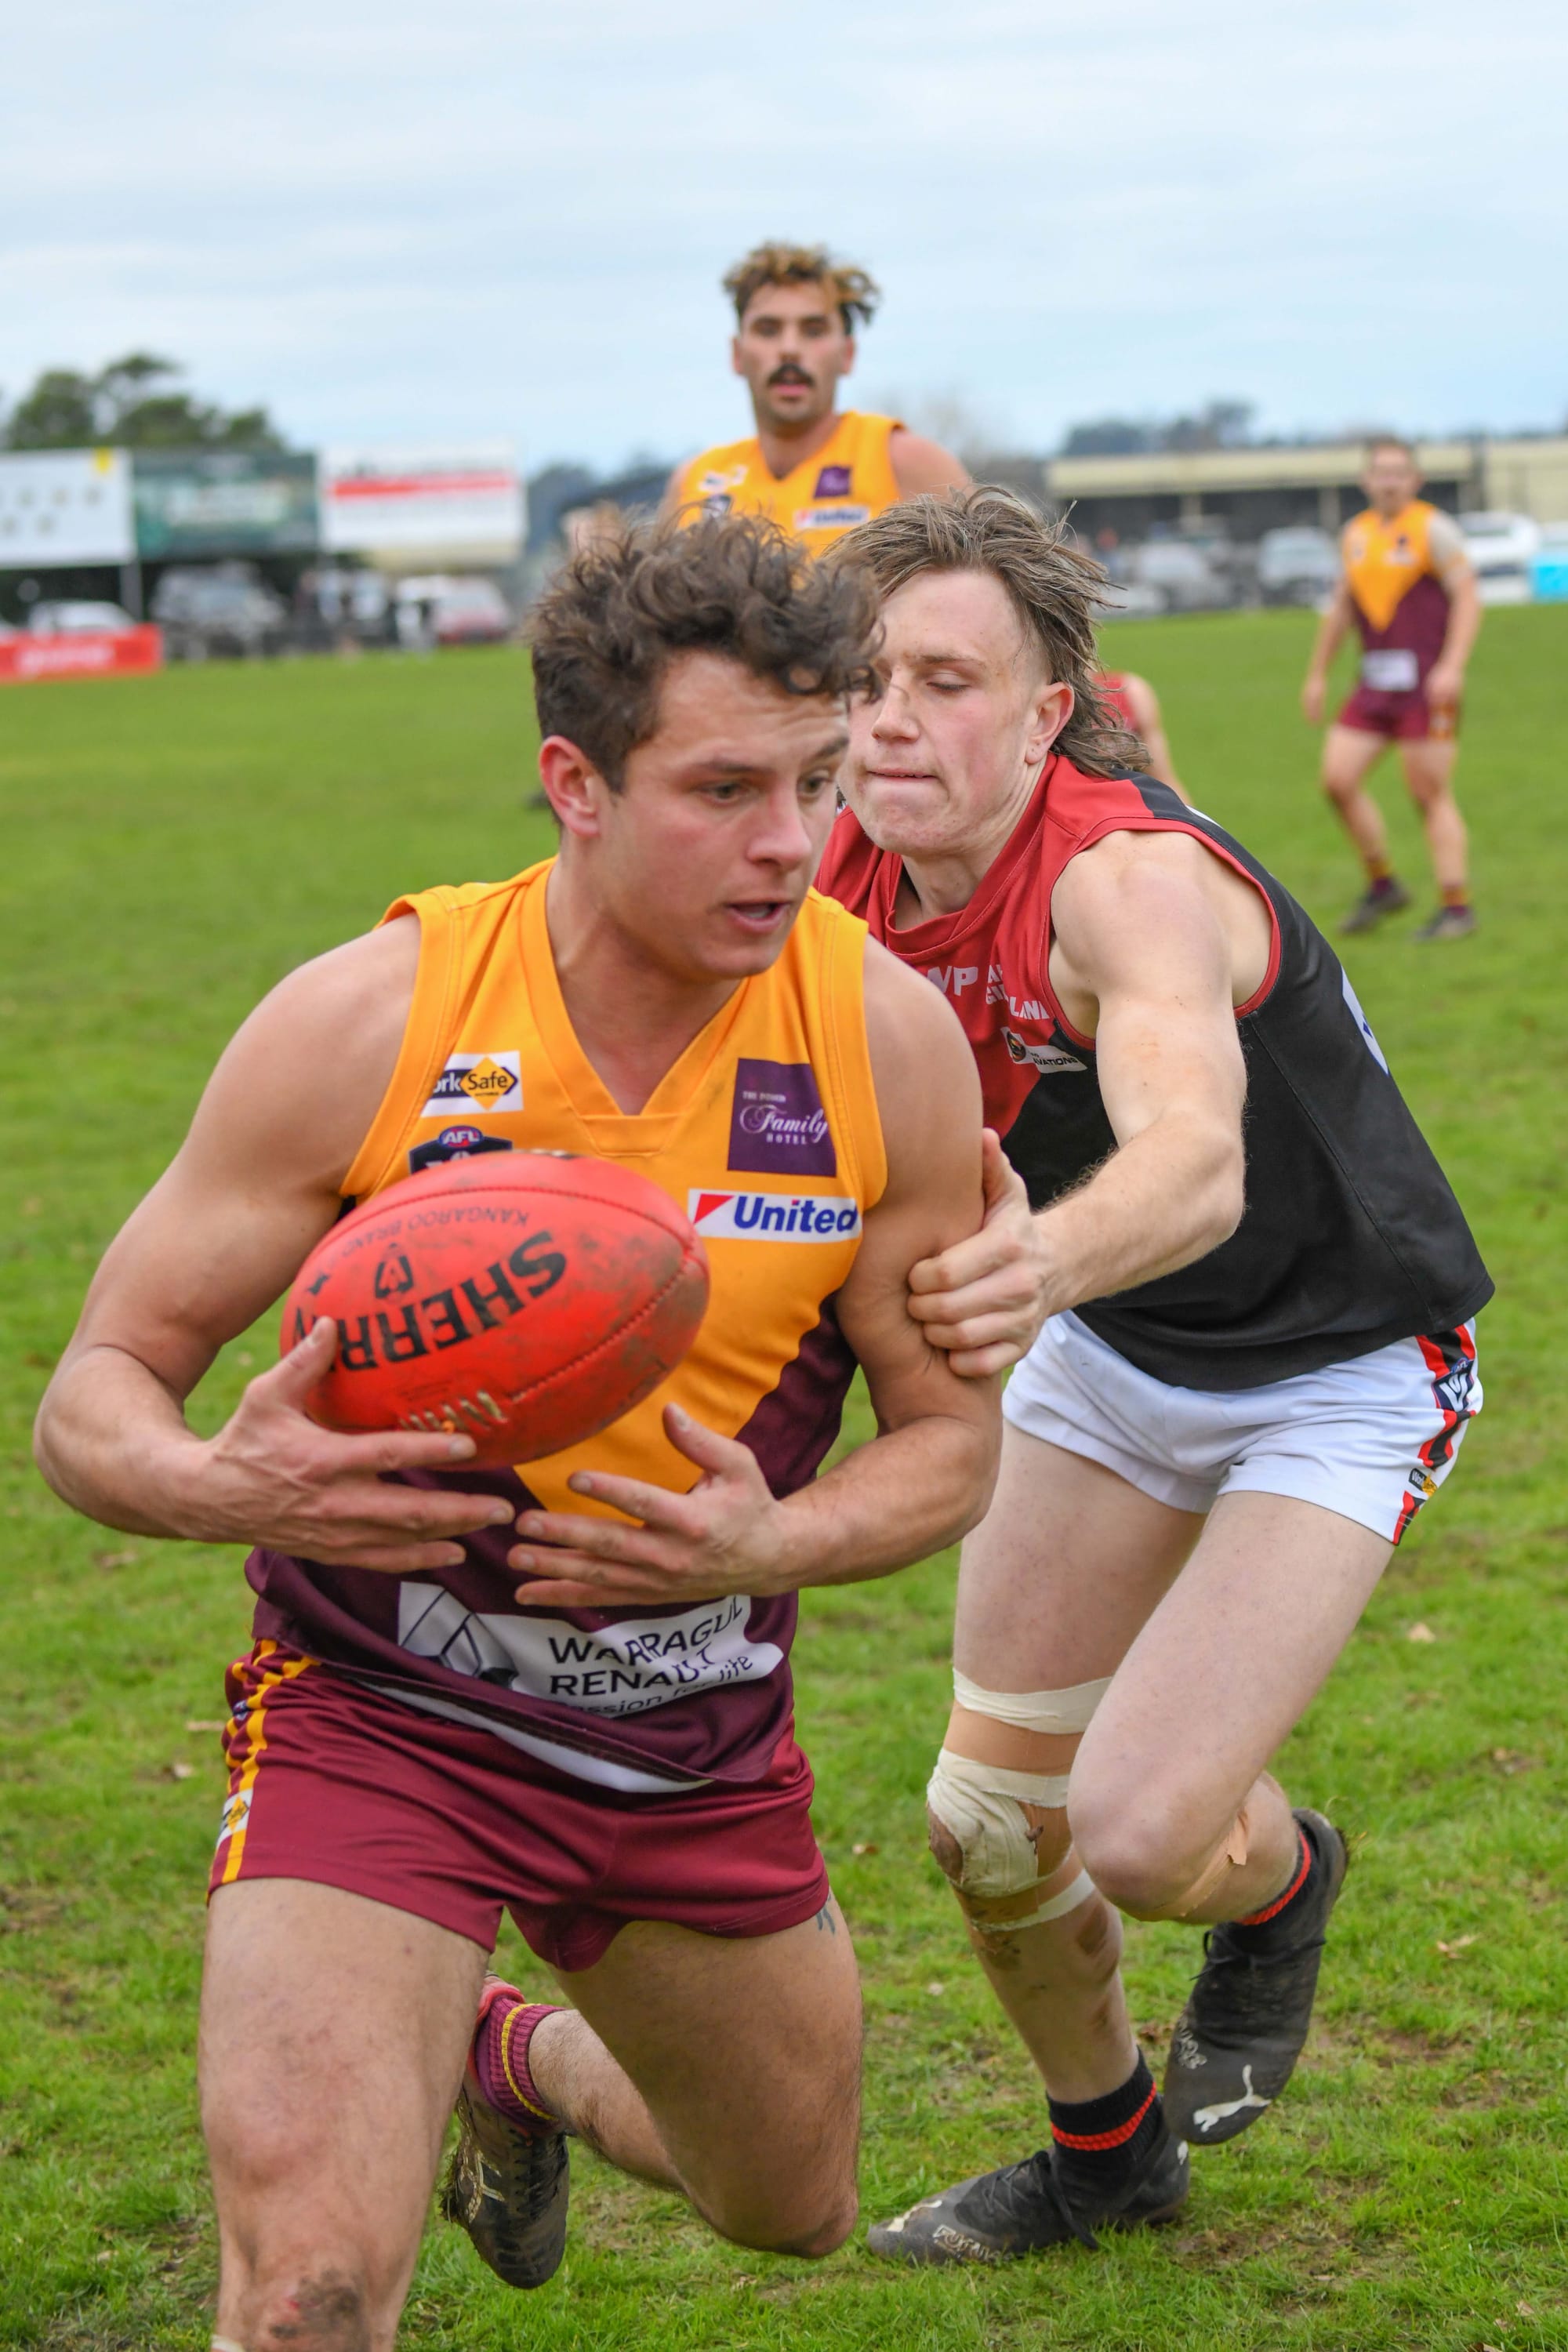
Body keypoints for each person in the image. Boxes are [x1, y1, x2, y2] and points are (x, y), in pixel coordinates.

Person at [33, 515, 1001, 2349]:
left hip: (685, 1725)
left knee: (787, 2202)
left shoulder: (879, 1042)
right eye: (721, 788)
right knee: (309, 2291)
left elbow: (952, 1441)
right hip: (379, 1709)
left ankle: (519, 2063)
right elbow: (93, 1392)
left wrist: (773, 1542)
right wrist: (213, 1479)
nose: (792, 842)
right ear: (573, 780)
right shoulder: (371, 1022)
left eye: (810, 781)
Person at [817, 486, 1490, 2264]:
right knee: (980, 1817)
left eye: (945, 679)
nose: (890, 715)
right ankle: (1105, 2151)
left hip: (1335, 1363)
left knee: (1131, 1824)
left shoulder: (1126, 883)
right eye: (864, 676)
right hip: (1123, 1349)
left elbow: (1188, 1160)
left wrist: (1018, 1269)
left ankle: (1279, 1879)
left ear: (1048, 711)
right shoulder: (836, 871)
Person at [662, 241, 969, 550]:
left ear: (847, 354)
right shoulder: (694, 481)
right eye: (768, 330)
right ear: (737, 354)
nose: (789, 349)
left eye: (813, 330)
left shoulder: (906, 463)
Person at [1302, 437, 1482, 941]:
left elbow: (1468, 599)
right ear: (1366, 479)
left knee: (1428, 792)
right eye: (1380, 471)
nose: (1388, 480)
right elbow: (1341, 610)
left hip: (1428, 689)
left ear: (1415, 480)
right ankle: (1384, 885)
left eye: (1399, 472)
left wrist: (1453, 665)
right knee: (1337, 780)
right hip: (1375, 686)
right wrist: (1318, 673)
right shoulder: (1355, 534)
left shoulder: (1433, 529)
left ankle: (1456, 906)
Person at [1096, 667, 1186, 799]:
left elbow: (1163, 776)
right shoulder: (1057, 703)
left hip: (1123, 806)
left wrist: (1190, 817)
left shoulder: (1130, 692)